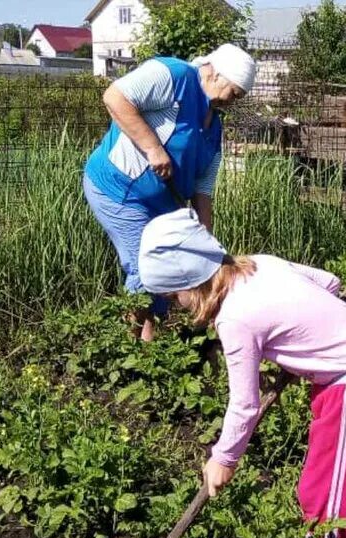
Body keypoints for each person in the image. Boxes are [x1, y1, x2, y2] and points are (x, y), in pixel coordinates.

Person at [138, 209, 346, 538]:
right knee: (322, 477)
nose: (176, 306)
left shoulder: (234, 318)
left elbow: (244, 404)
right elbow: (331, 283)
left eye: (173, 297)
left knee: (331, 487)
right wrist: (307, 333)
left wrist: (223, 458)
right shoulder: (261, 263)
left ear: (191, 282)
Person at [84, 43, 256, 341]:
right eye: (235, 92)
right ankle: (132, 348)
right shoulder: (173, 75)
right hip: (119, 189)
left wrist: (208, 247)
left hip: (162, 205)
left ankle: (153, 342)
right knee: (145, 267)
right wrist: (153, 148)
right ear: (216, 73)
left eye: (240, 97)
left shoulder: (213, 127)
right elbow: (115, 97)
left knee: (169, 267)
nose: (234, 101)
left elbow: (203, 192)